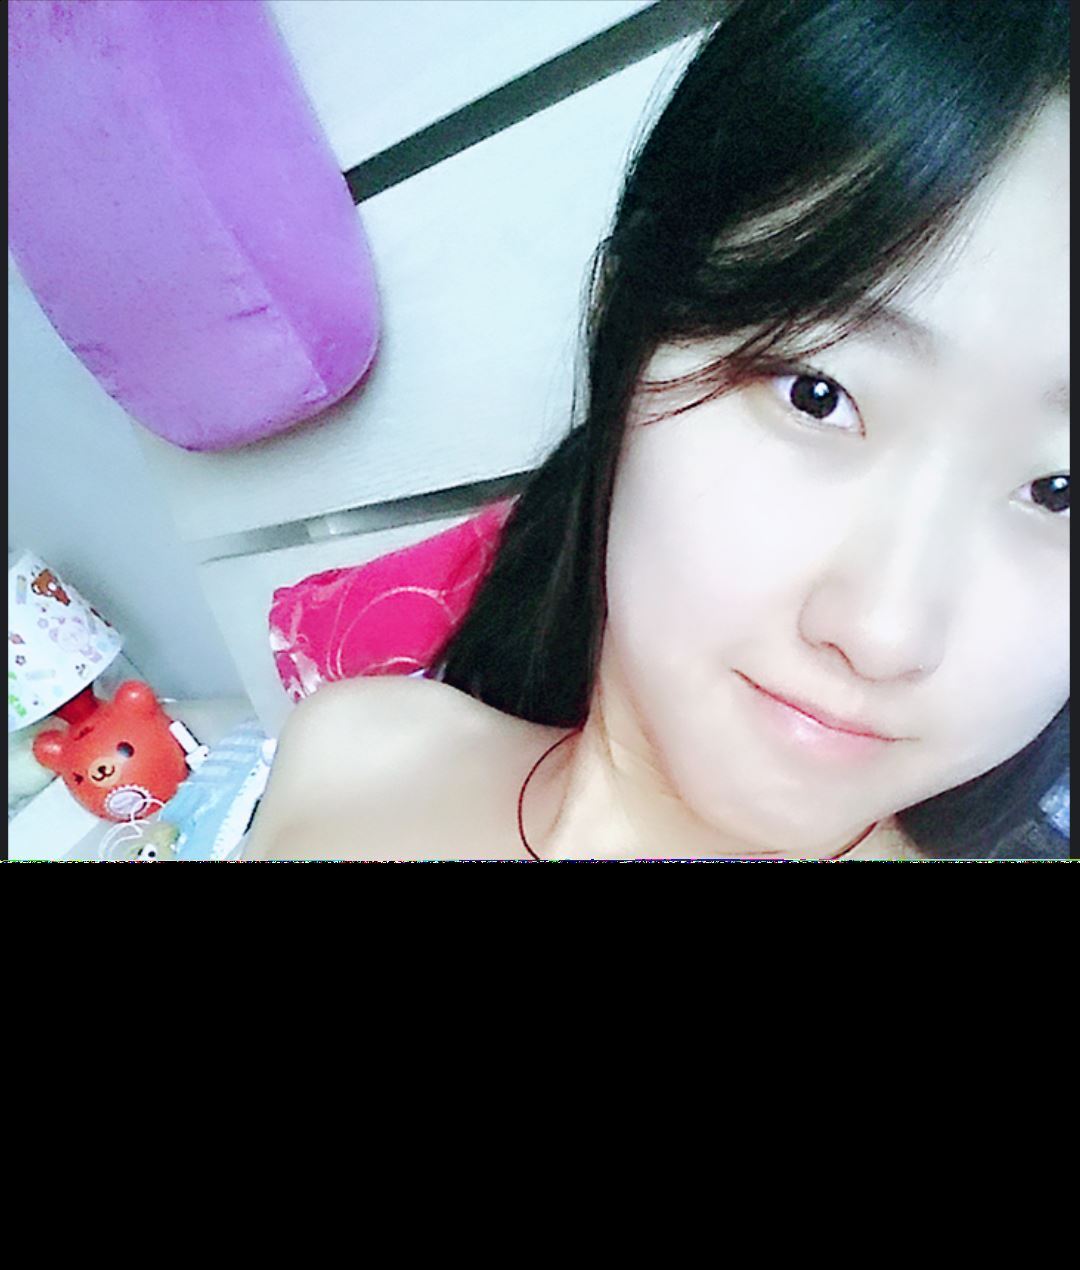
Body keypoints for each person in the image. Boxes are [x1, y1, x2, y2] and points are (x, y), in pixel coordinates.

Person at [243, 0, 1068, 862]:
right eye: (818, 395)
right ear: (625, 329)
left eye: (1060, 491)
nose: (884, 634)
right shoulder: (349, 751)